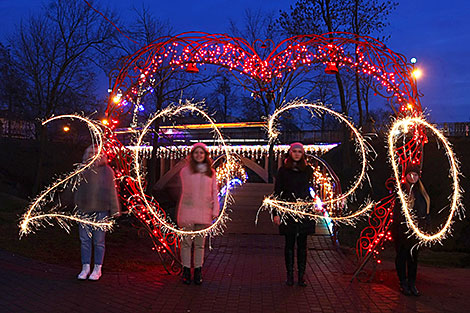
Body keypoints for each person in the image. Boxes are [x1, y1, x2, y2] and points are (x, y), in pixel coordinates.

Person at [74, 145, 121, 281]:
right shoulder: (82, 169)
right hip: (84, 210)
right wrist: (76, 207)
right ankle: (85, 267)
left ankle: (97, 268)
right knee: (84, 240)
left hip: (101, 210)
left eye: (96, 153)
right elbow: (77, 190)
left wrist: (115, 209)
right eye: (90, 153)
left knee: (99, 241)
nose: (93, 155)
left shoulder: (107, 171)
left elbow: (112, 191)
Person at [273, 142, 316, 287]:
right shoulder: (283, 171)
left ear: (303, 154)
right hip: (288, 210)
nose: (297, 154)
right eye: (294, 151)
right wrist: (276, 213)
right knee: (289, 243)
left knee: (303, 245)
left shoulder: (308, 170)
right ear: (290, 153)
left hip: (304, 210)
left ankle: (301, 276)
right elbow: (277, 192)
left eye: (299, 151)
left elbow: (311, 190)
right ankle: (290, 275)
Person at [177, 143, 219, 285]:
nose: (199, 155)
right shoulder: (185, 171)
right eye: (196, 153)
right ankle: (186, 270)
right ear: (192, 155)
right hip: (188, 210)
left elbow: (214, 192)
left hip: (204, 211)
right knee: (186, 243)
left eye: (202, 153)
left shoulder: (211, 173)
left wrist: (215, 210)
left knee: (200, 244)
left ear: (205, 155)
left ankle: (198, 271)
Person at [391, 164, 430, 296]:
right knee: (402, 256)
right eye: (410, 174)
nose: (413, 177)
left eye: (415, 175)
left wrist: (424, 225)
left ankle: (412, 283)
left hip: (416, 232)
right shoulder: (402, 190)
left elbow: (425, 211)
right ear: (406, 176)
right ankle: (403, 282)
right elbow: (397, 211)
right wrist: (402, 225)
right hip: (402, 231)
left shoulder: (422, 192)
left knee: (413, 258)